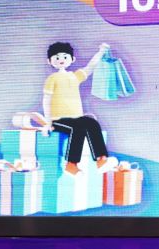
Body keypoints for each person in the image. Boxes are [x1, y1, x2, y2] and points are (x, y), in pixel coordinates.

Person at [42, 41, 117, 175]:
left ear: (72, 59)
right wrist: (48, 123)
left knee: (92, 123)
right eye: (57, 57)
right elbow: (46, 100)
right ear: (50, 61)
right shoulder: (52, 79)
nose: (61, 60)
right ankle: (71, 164)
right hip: (58, 119)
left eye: (65, 57)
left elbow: (90, 67)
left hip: (76, 117)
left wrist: (101, 52)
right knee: (78, 128)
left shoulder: (74, 76)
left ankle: (101, 159)